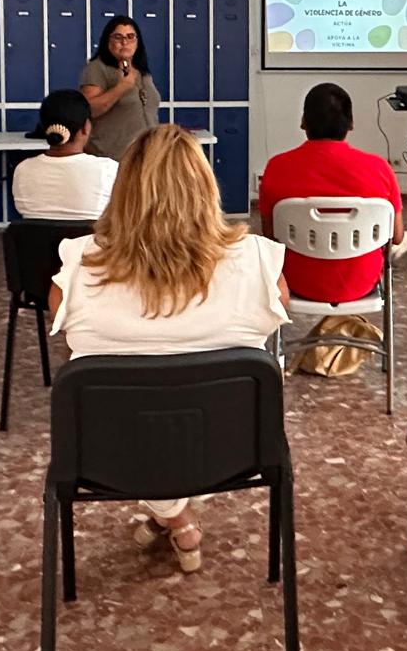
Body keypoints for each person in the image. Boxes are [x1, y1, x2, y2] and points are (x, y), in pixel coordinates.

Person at [48, 125, 290, 573]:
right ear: (205, 187)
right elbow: (276, 311)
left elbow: (68, 329)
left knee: (137, 411)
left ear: (123, 190)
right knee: (191, 408)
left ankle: (171, 515)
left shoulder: (79, 264)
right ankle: (176, 516)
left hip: (110, 456)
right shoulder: (258, 261)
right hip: (230, 452)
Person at [258, 83, 404, 303]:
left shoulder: (277, 168)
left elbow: (270, 238)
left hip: (297, 282)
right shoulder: (380, 168)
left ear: (303, 122)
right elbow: (398, 236)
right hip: (362, 282)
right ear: (351, 123)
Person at [12, 89, 118, 221]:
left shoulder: (23, 169)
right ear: (85, 127)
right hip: (90, 241)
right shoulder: (108, 170)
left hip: (34, 242)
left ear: (45, 129)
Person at [78, 16, 161, 160]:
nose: (124, 42)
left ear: (137, 42)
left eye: (130, 37)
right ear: (107, 41)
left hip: (147, 155)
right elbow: (89, 109)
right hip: (112, 157)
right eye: (118, 37)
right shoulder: (97, 68)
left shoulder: (141, 71)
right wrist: (121, 87)